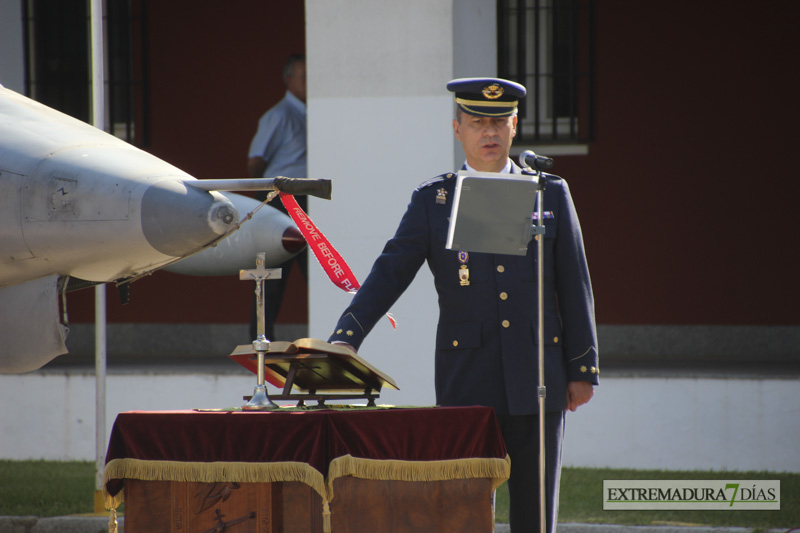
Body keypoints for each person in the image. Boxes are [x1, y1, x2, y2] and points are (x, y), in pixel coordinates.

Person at [327, 78, 598, 533]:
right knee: (463, 510)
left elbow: (574, 282)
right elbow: (391, 271)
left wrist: (581, 369)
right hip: (468, 375)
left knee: (535, 514)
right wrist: (346, 336)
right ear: (458, 130)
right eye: (476, 123)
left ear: (514, 126)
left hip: (538, 374)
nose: (488, 132)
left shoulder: (548, 192)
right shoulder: (435, 200)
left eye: (498, 122)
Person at [247, 54, 307, 341]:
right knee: (270, 276)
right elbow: (255, 162)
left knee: (318, 271)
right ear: (290, 80)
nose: (309, 83)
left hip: (309, 200)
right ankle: (259, 341)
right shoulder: (279, 115)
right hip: (281, 199)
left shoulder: (314, 112)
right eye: (304, 77)